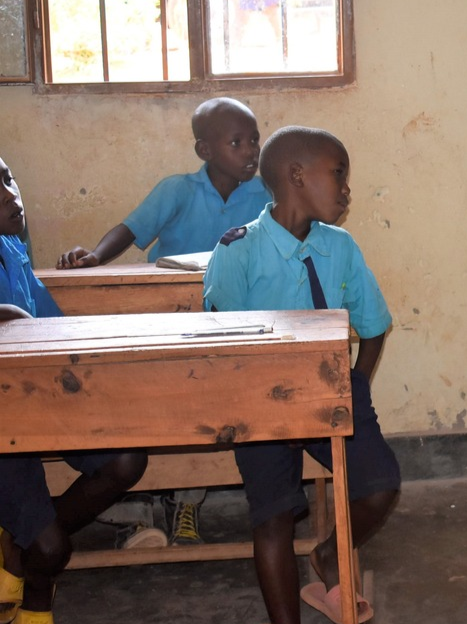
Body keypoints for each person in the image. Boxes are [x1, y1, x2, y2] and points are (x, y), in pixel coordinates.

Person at [55, 96, 272, 550]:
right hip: (169, 319)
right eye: (237, 142)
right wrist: (94, 257)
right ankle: (145, 503)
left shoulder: (265, 194)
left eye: (254, 140)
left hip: (229, 320)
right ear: (204, 150)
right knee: (158, 405)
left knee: (209, 408)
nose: (251, 151)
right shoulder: (178, 190)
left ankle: (187, 500)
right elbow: (131, 230)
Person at [203, 125, 400, 624]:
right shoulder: (237, 250)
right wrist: (265, 413)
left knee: (380, 485)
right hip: (258, 404)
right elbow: (225, 347)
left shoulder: (341, 247)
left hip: (328, 393)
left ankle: (330, 556)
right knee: (274, 518)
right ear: (297, 177)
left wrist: (354, 386)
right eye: (338, 175)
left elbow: (373, 326)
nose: (346, 188)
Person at [0, 155, 148, 624]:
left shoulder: (12, 247)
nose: (10, 195)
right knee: (52, 550)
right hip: (3, 428)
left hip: (38, 402)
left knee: (126, 458)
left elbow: (50, 325)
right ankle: (35, 598)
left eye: (7, 177)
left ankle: (17, 550)